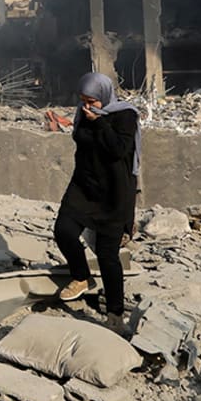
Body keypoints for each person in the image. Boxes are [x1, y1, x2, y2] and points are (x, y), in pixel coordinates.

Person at [52, 72, 140, 334]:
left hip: (115, 193)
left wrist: (100, 125)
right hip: (84, 186)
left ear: (104, 95)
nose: (87, 106)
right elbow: (80, 139)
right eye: (82, 100)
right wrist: (91, 122)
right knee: (63, 231)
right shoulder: (83, 114)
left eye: (92, 100)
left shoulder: (126, 116)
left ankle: (114, 314)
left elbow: (117, 150)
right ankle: (81, 276)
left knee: (107, 256)